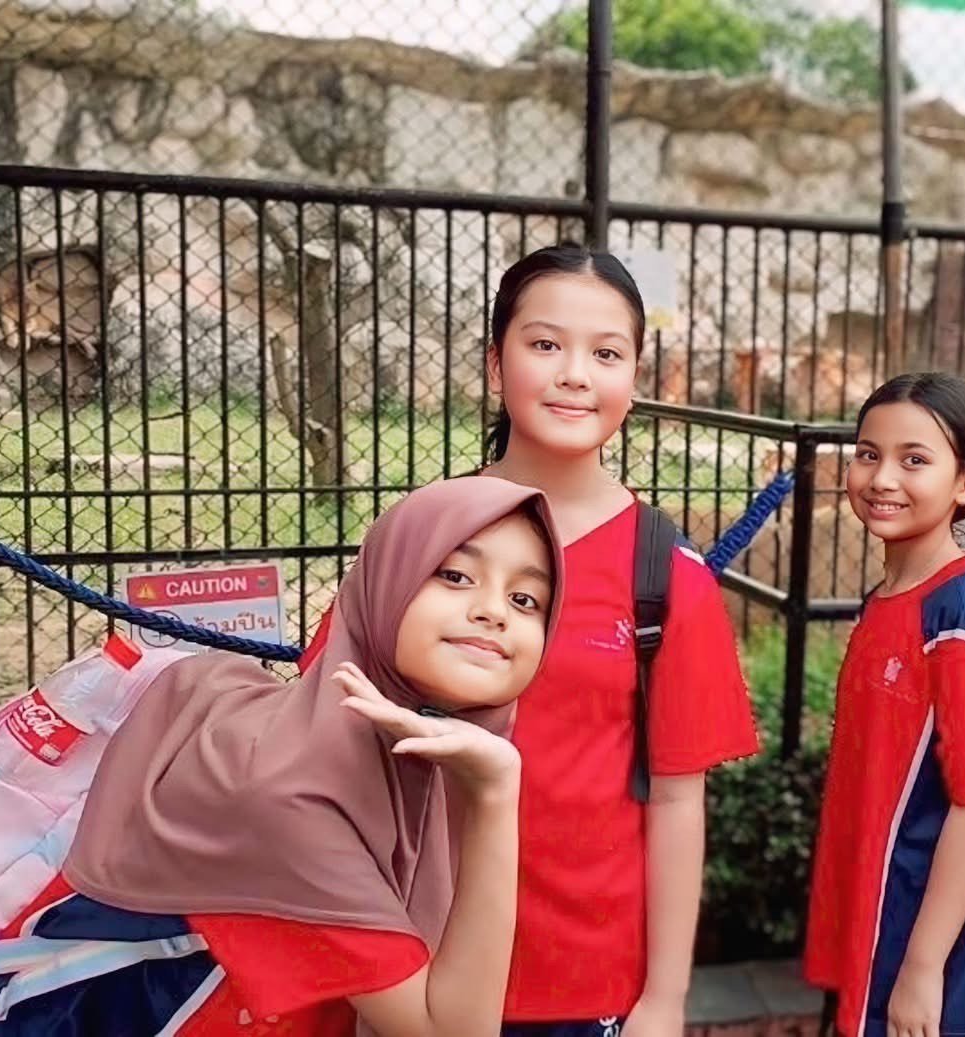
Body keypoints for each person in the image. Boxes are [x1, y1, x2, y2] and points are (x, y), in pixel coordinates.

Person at [300, 243, 759, 1037]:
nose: (574, 374)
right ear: (495, 363)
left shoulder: (666, 571)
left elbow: (678, 798)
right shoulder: (421, 536)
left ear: (634, 378)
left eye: (605, 353)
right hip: (417, 968)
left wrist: (665, 998)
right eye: (544, 343)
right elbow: (327, 728)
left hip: (585, 980)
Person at [0, 476, 561, 1036]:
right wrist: (495, 791)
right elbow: (447, 1031)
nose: (494, 611)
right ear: (386, 583)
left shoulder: (386, 754)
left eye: (525, 599)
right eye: (455, 575)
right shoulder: (292, 790)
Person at [804, 372, 965, 1037]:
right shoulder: (886, 600)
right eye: (868, 453)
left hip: (930, 939)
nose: (882, 478)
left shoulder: (963, 614)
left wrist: (923, 965)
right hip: (880, 913)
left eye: (914, 460)